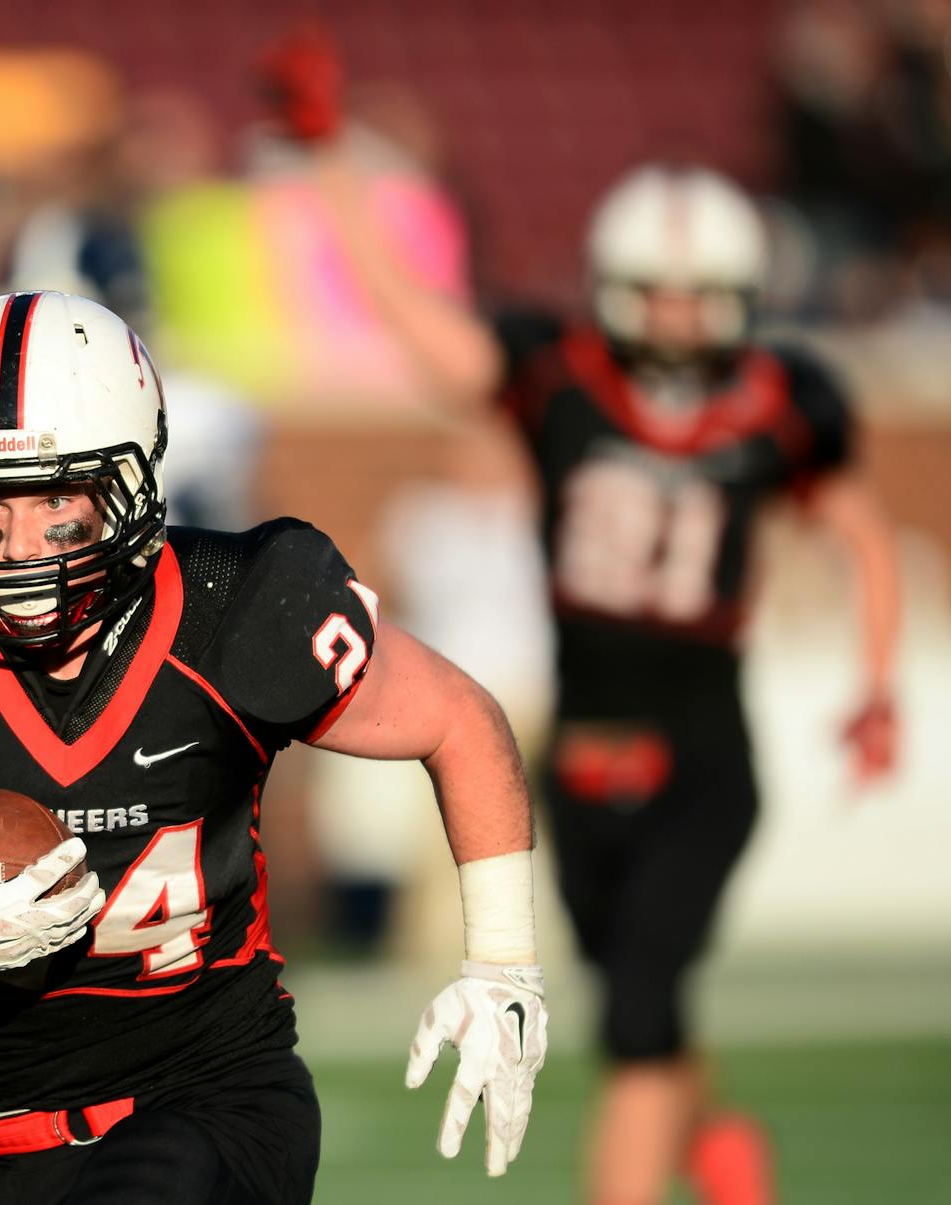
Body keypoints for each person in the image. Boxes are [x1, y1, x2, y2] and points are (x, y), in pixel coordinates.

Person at [0, 289, 550, 1204]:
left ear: (128, 486)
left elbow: (459, 719)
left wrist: (503, 967)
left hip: (215, 1096)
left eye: (56, 497)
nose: (19, 546)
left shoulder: (236, 608)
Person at [318, 158, 902, 1205]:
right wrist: (335, 180)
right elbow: (432, 342)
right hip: (578, 760)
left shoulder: (777, 400)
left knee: (637, 1012)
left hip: (701, 755)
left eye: (697, 293)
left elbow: (861, 534)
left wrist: (874, 687)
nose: (677, 317)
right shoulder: (560, 379)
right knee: (640, 1004)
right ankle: (718, 1139)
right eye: (658, 290)